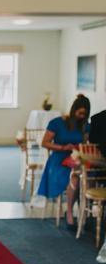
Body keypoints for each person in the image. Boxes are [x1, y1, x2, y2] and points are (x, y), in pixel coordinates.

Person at [37, 94, 90, 229]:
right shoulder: (56, 123)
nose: (82, 116)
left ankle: (85, 213)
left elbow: (85, 145)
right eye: (80, 113)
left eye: (85, 114)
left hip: (75, 158)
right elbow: (45, 143)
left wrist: (79, 151)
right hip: (58, 159)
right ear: (74, 110)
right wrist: (63, 147)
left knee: (86, 177)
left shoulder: (85, 125)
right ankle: (70, 213)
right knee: (74, 178)